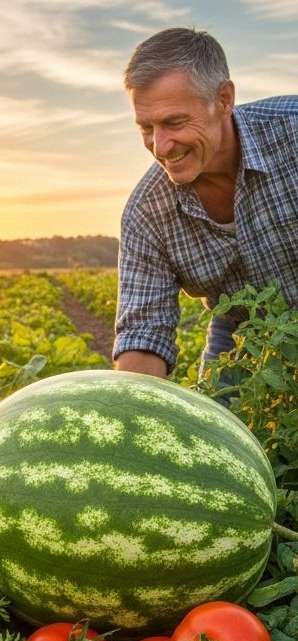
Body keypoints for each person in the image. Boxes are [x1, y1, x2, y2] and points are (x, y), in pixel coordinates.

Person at [112, 27, 298, 378]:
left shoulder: (292, 134)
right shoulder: (147, 212)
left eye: (174, 122)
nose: (160, 146)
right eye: (146, 128)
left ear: (224, 100)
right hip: (244, 335)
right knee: (219, 408)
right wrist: (130, 402)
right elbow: (143, 334)